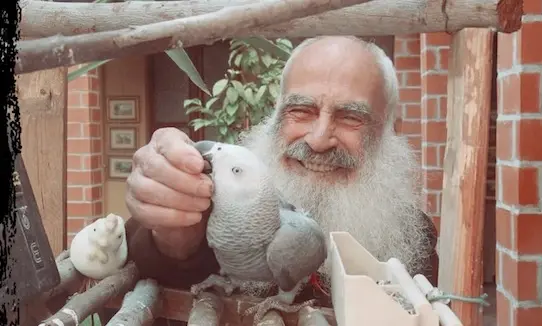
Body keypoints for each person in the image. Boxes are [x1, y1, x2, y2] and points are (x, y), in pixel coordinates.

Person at [114, 35, 438, 324]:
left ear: (386, 134)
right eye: (301, 110)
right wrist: (173, 233)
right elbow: (141, 271)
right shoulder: (221, 194)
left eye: (351, 117)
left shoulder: (411, 240)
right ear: (274, 118)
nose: (318, 139)